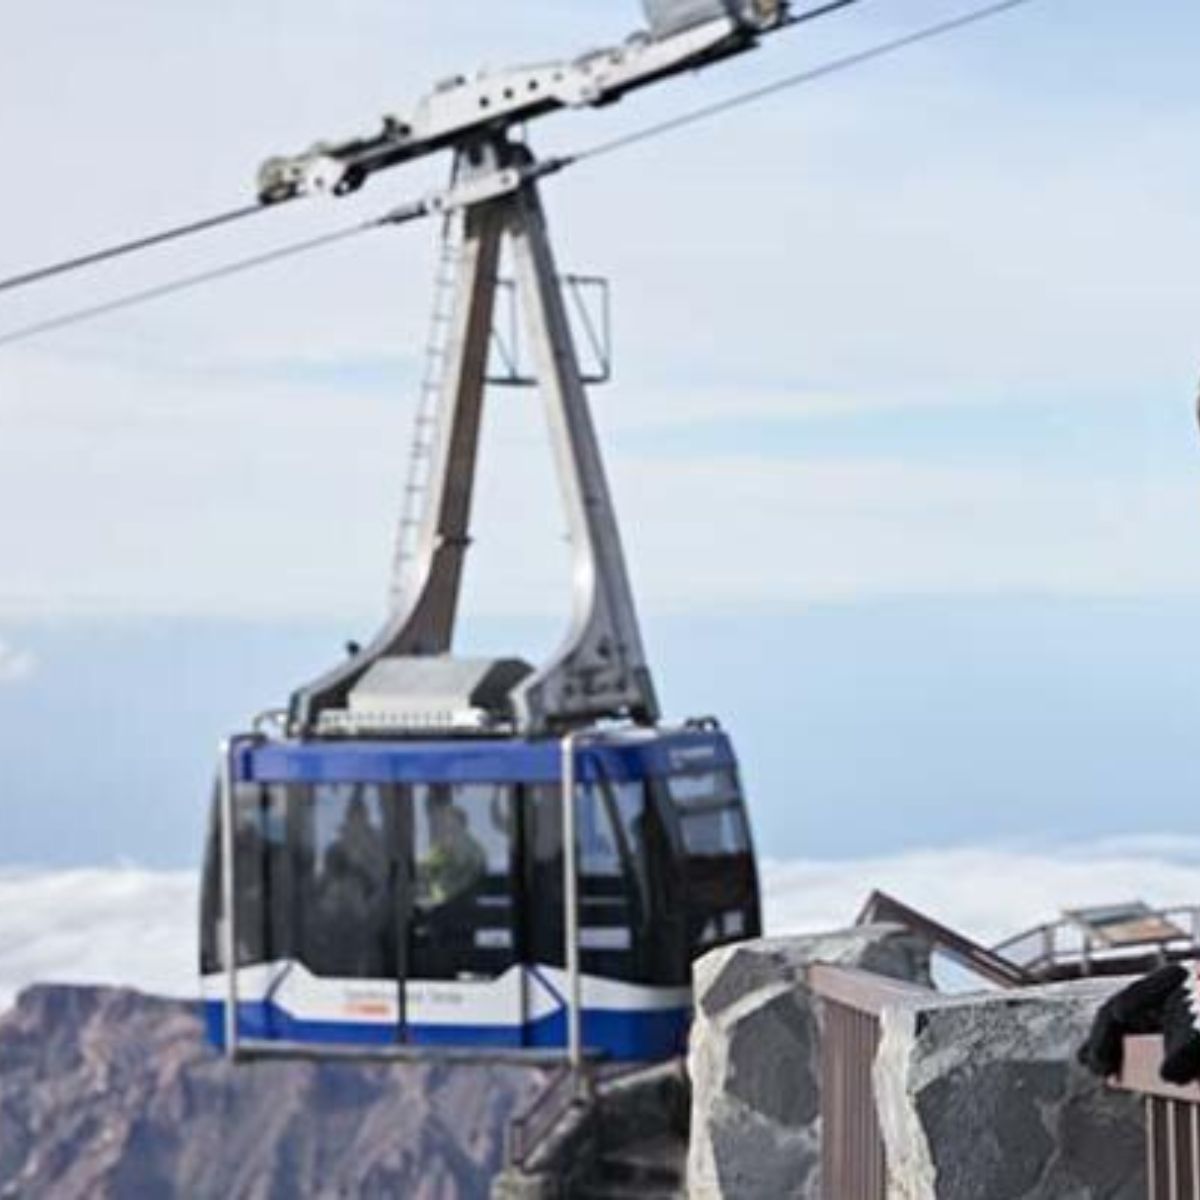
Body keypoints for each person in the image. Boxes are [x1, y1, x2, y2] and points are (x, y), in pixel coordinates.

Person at [418, 801, 488, 907]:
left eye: (450, 821)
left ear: (461, 823)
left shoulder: (469, 845)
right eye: (446, 822)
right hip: (449, 898)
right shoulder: (446, 844)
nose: (446, 825)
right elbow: (427, 863)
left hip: (460, 899)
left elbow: (468, 869)